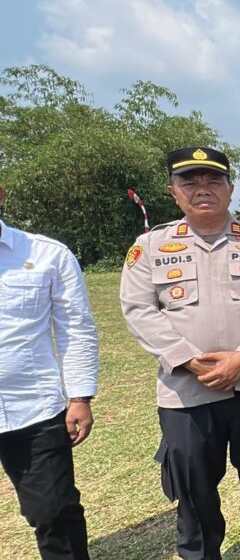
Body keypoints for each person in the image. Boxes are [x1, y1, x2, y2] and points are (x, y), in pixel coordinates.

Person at [120, 147, 240, 560]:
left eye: (213, 180)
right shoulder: (150, 246)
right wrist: (188, 359)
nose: (202, 189)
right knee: (192, 480)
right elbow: (139, 309)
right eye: (189, 182)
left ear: (230, 188)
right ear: (172, 191)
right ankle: (199, 552)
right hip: (185, 389)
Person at [0, 185, 99, 560]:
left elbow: (76, 328)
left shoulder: (47, 254)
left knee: (53, 511)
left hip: (32, 408)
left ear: (0, 195)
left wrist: (80, 397)